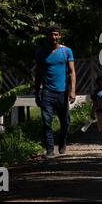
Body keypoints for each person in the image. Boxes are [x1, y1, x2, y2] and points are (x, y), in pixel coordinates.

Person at [35, 25, 76, 159]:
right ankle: (50, 150)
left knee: (65, 122)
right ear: (48, 37)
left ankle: (62, 141)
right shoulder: (42, 53)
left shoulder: (66, 51)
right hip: (47, 93)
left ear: (60, 36)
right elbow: (38, 74)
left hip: (62, 93)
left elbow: (72, 72)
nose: (53, 37)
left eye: (56, 34)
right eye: (51, 35)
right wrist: (37, 93)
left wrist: (73, 91)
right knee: (47, 122)